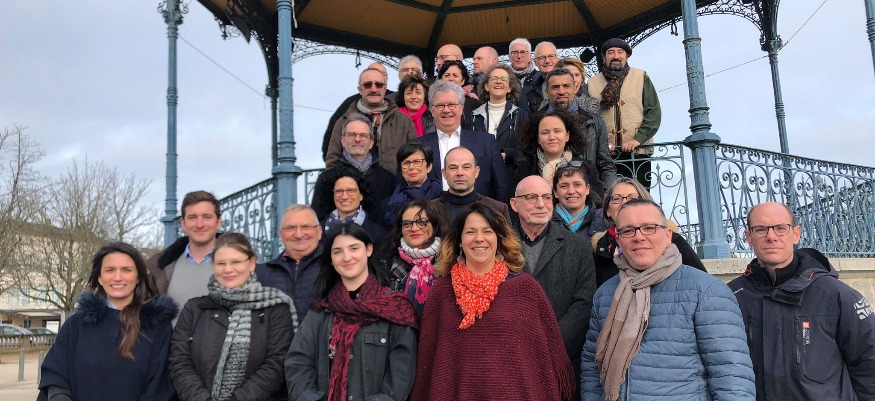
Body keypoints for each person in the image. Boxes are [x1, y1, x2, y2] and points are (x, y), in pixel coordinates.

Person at [581, 198, 756, 401]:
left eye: (649, 228)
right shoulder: (605, 294)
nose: (639, 237)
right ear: (618, 240)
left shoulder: (706, 291)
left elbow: (731, 378)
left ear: (667, 235)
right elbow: (592, 367)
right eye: (628, 231)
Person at [410, 203, 575, 401]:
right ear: (459, 241)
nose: (479, 238)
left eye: (487, 231)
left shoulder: (525, 289)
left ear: (499, 238)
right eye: (470, 232)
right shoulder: (442, 292)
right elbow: (429, 360)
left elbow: (542, 356)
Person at [728, 202, 875, 400]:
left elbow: (869, 362)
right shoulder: (732, 296)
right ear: (748, 237)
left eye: (781, 228)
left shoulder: (834, 294)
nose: (771, 236)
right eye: (760, 229)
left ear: (796, 234)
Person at [285, 221, 418, 401]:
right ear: (331, 259)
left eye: (354, 248)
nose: (346, 257)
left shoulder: (396, 309)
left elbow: (400, 379)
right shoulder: (321, 311)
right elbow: (298, 363)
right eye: (337, 251)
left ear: (368, 249)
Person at [39, 242, 177, 401]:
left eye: (126, 270)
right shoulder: (76, 325)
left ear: (138, 277)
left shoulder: (158, 327)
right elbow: (56, 374)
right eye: (110, 270)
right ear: (100, 278)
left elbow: (161, 387)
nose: (117, 277)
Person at [170, 233, 296, 401]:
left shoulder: (275, 308)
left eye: (236, 262)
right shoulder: (194, 309)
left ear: (252, 263)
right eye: (221, 263)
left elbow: (276, 364)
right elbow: (179, 362)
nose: (228, 269)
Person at [510, 176, 596, 390]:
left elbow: (584, 303)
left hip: (561, 360)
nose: (541, 204)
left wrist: (550, 345)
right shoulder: (499, 246)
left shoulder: (578, 246)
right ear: (514, 204)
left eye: (546, 197)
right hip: (512, 360)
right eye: (531, 197)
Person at [591, 177, 705, 286]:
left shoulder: (670, 239)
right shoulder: (599, 248)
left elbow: (701, 281)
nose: (624, 203)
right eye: (616, 198)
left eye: (633, 198)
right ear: (607, 210)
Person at [587, 38, 662, 188]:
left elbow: (653, 112)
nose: (616, 56)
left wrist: (638, 139)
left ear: (626, 56)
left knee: (639, 195)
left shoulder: (641, 77)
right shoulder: (592, 83)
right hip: (606, 155)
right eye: (611, 52)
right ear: (604, 57)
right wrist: (601, 142)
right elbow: (589, 117)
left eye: (620, 52)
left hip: (638, 153)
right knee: (609, 196)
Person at [418, 80, 508, 201]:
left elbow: (501, 185)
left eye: (452, 104)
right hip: (432, 210)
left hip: (479, 209)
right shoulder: (418, 146)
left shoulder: (486, 141)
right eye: (440, 105)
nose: (446, 110)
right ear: (431, 110)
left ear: (461, 107)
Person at [325, 67, 417, 175]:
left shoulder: (404, 122)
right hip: (353, 185)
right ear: (360, 89)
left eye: (379, 85)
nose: (373, 89)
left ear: (385, 89)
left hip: (395, 185)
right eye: (368, 85)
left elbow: (414, 158)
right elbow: (332, 162)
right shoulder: (343, 121)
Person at [539, 67, 617, 189]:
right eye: (555, 87)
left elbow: (605, 164)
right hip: (545, 193)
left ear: (575, 88)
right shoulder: (534, 122)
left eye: (566, 86)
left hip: (587, 193)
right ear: (547, 91)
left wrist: (606, 194)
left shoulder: (594, 122)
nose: (561, 91)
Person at [312, 114, 395, 222]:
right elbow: (318, 220)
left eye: (363, 135)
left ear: (371, 143)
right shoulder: (327, 179)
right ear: (343, 141)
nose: (357, 139)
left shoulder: (388, 179)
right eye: (352, 135)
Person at [147, 190, 223, 309]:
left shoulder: (239, 265)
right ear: (183, 223)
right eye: (192, 217)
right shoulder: (163, 266)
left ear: (218, 222)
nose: (199, 224)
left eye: (207, 217)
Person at [512, 110, 605, 198]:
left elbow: (596, 202)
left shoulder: (587, 168)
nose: (552, 137)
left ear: (567, 136)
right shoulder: (523, 170)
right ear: (538, 139)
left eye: (557, 131)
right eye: (545, 132)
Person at [256, 204, 324, 321]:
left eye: (306, 227)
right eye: (290, 228)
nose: (298, 234)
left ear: (319, 232)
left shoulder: (333, 265)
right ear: (281, 235)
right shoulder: (262, 273)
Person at [379, 199, 445, 316]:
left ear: (434, 226)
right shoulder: (384, 265)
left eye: (421, 222)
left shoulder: (449, 263)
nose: (414, 228)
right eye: (407, 224)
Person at [321, 62, 396, 160]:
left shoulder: (398, 100)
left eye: (382, 74)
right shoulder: (350, 103)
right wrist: (332, 163)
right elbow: (332, 134)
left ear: (387, 78)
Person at [429, 146, 510, 229]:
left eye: (466, 167)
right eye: (453, 168)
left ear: (476, 171)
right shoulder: (429, 210)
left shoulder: (498, 209)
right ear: (444, 173)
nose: (460, 173)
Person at [472, 64, 525, 167]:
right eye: (494, 79)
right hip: (481, 171)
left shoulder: (521, 115)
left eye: (504, 79)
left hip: (509, 172)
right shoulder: (474, 116)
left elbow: (526, 149)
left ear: (510, 88)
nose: (498, 82)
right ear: (486, 86)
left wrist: (507, 155)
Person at [318, 165, 386, 243]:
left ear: (361, 195)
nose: (344, 196)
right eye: (339, 191)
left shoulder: (377, 233)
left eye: (351, 190)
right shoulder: (317, 232)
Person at [384, 142, 443, 225]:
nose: (411, 167)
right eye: (406, 163)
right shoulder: (389, 204)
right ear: (401, 170)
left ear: (429, 166)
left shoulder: (443, 199)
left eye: (417, 162)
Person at [552, 163, 609, 240]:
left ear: (587, 189)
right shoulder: (544, 222)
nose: (571, 191)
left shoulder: (605, 219)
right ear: (555, 192)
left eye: (577, 185)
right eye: (564, 186)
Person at [519, 41, 558, 113]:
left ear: (557, 58)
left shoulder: (573, 81)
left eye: (551, 56)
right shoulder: (530, 89)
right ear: (535, 62)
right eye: (542, 58)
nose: (547, 61)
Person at [437, 60, 479, 128]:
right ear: (441, 79)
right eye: (447, 75)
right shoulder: (433, 101)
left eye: (455, 75)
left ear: (463, 81)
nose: (451, 79)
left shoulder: (474, 103)